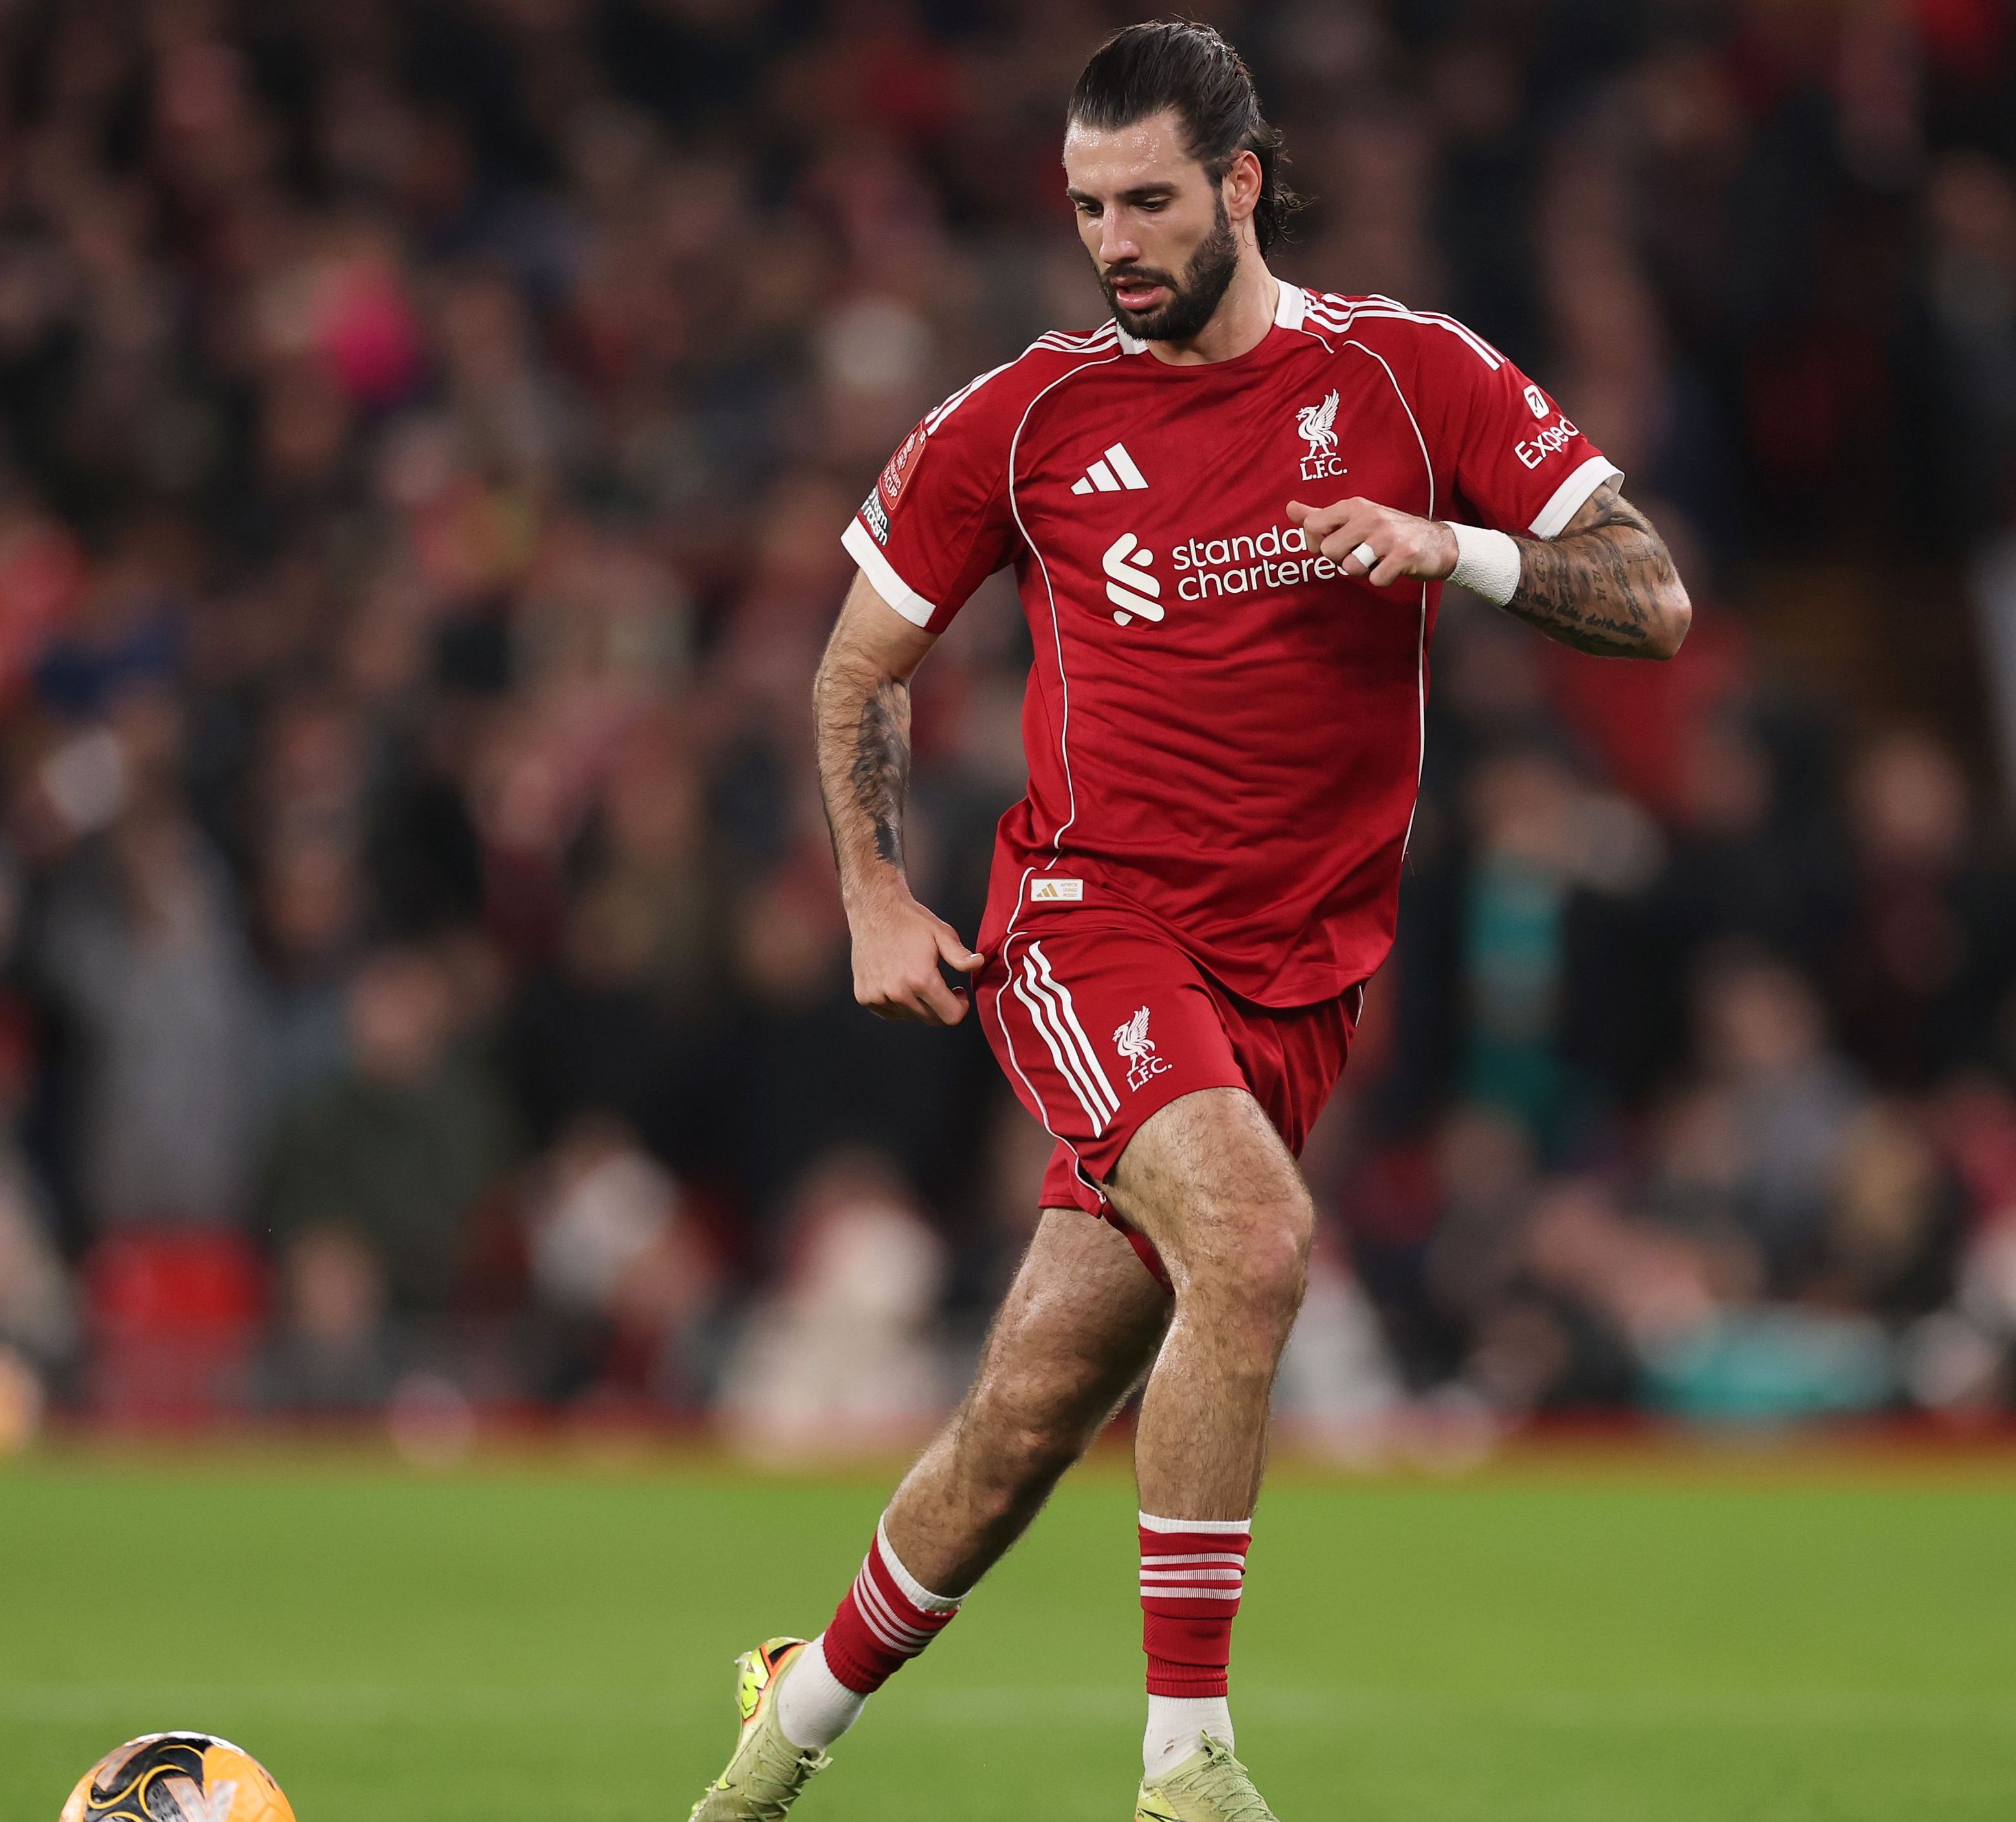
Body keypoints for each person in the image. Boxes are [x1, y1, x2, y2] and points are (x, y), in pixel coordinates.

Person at [686, 21, 1688, 1822]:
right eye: (1084, 208)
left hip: (1296, 986)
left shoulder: (1409, 377)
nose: (1112, 242)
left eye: (1147, 201)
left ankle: (777, 1742)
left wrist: (1443, 545)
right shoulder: (1028, 414)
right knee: (1255, 1242)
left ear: (1239, 184)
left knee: (1015, 1434)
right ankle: (1187, 1773)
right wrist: (871, 889)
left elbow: (1652, 598)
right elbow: (859, 663)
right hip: (1089, 931)